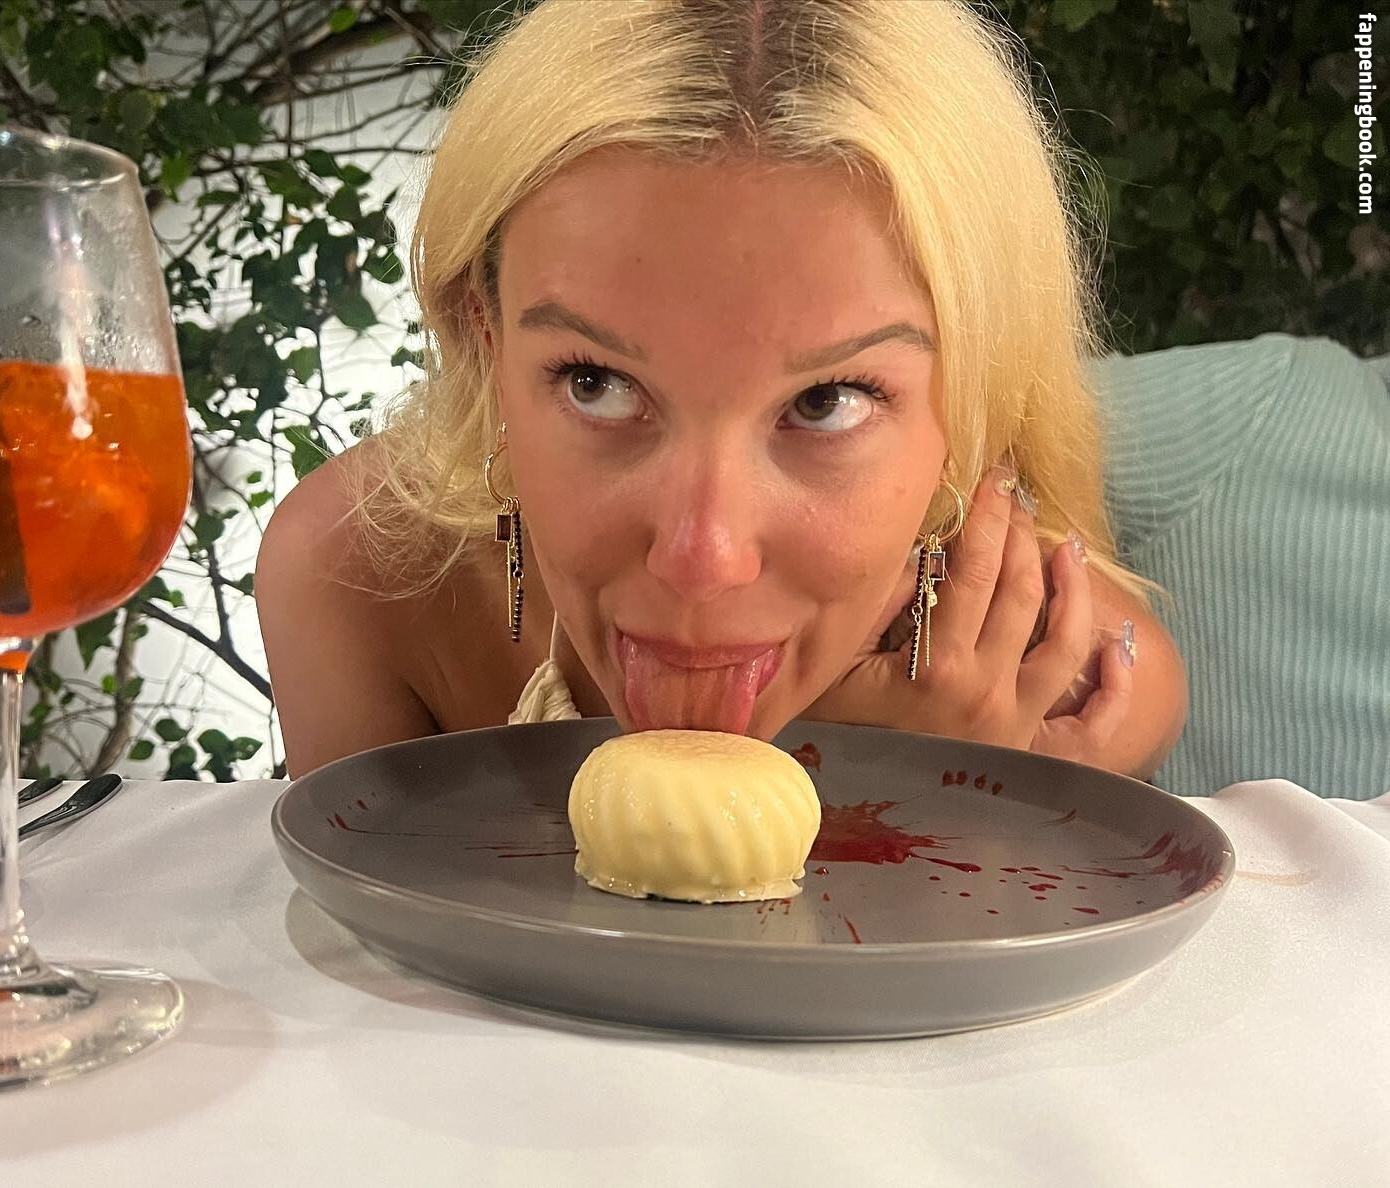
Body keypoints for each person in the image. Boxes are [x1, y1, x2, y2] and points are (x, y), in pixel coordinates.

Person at [256, 0, 1187, 781]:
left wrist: (926, 798)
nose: (702, 558)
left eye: (825, 402)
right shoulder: (355, 580)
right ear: (485, 340)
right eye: (596, 384)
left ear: (975, 393)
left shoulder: (1069, 688)